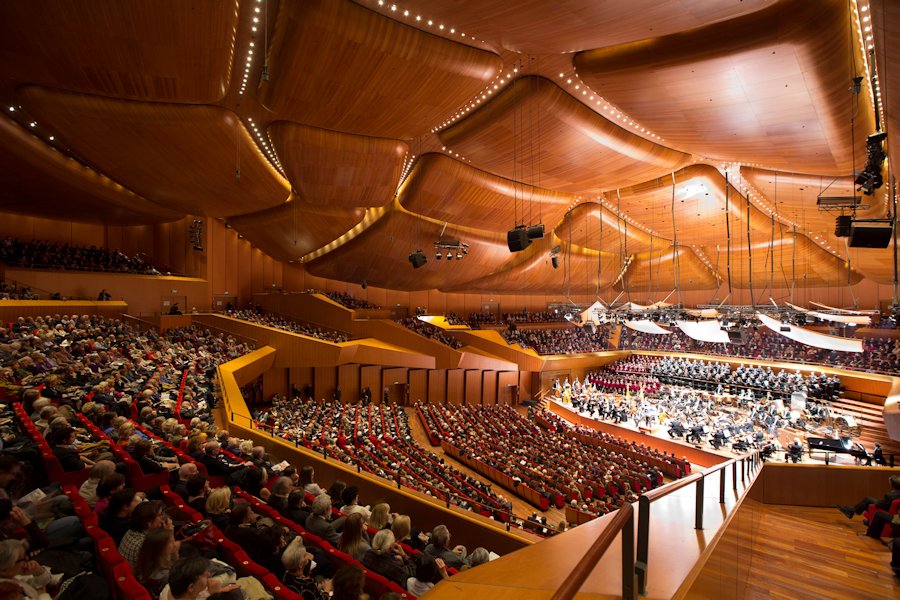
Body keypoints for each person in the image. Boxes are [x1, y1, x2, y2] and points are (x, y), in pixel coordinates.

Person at [134, 527, 180, 599]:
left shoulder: (144, 561)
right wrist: (175, 553)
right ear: (162, 550)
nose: (174, 543)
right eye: (171, 542)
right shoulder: (165, 575)